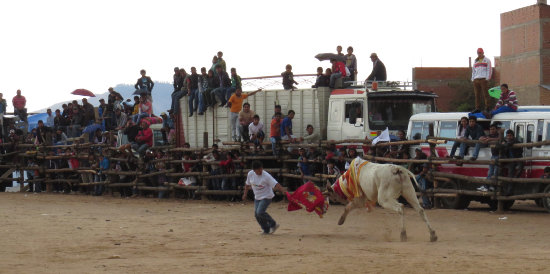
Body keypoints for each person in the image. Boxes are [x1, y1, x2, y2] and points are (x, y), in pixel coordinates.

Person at [242, 160, 287, 234]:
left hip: (267, 196)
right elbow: (247, 184)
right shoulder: (250, 174)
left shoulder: (266, 176)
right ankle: (266, 229)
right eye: (258, 170)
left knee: (260, 212)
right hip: (257, 197)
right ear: (254, 170)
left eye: (260, 169)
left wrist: (283, 190)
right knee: (257, 215)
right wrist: (245, 194)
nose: (260, 171)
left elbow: (276, 184)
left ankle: (273, 224)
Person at [477, 123, 502, 191]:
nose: (492, 130)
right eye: (490, 129)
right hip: (493, 156)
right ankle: (488, 186)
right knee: (490, 172)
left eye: (493, 129)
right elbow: (481, 138)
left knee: (495, 172)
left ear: (496, 129)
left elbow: (499, 139)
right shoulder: (490, 135)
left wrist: (490, 139)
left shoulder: (498, 135)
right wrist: (482, 138)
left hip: (499, 156)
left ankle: (490, 186)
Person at [471, 48, 492, 113]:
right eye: (478, 53)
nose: (479, 54)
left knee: (485, 94)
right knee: (477, 94)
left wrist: (487, 78)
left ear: (483, 53)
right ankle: (477, 108)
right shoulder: (475, 61)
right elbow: (473, 70)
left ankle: (487, 107)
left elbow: (489, 69)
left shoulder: (487, 60)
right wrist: (473, 78)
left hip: (483, 79)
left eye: (480, 53)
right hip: (476, 79)